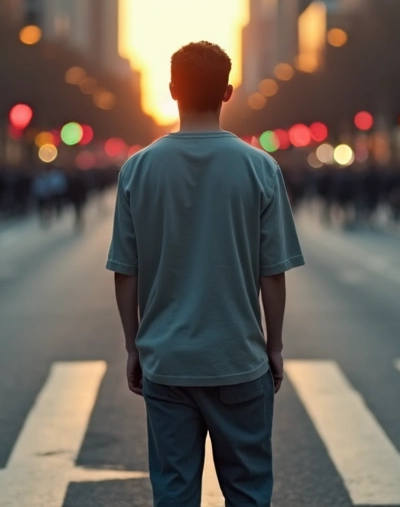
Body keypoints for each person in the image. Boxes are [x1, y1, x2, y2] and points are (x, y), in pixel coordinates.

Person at [108, 42, 303, 507]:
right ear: (229, 92)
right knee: (248, 491)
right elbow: (272, 274)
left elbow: (125, 272)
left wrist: (133, 346)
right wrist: (273, 346)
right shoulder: (261, 168)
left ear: (172, 90)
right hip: (238, 358)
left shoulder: (138, 170)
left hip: (167, 362)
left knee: (173, 493)